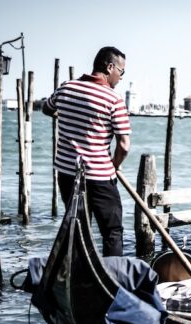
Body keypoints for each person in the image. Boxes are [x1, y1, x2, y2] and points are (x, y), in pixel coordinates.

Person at [42, 46, 131, 257]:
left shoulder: (66, 88)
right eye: (121, 71)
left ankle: (78, 273)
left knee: (78, 229)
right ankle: (113, 274)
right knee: (112, 231)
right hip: (99, 177)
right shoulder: (113, 99)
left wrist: (66, 117)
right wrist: (114, 165)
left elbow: (47, 108)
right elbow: (124, 145)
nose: (121, 77)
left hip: (67, 174)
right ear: (110, 67)